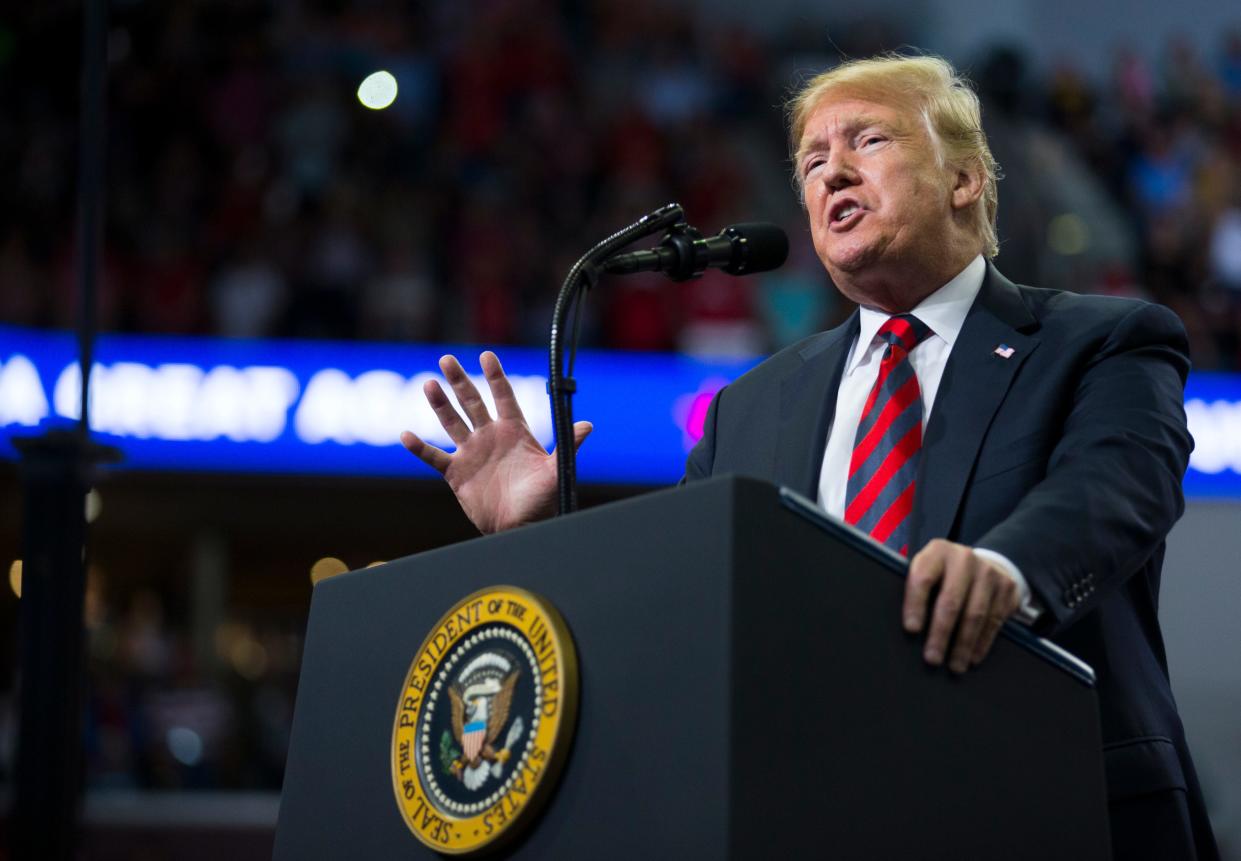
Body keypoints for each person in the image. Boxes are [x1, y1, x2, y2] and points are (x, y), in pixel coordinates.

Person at [400, 55, 1219, 859]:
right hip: (813, 819)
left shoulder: (1098, 340)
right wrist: (543, 536)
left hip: (1051, 803)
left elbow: (1116, 487)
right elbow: (672, 606)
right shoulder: (745, 409)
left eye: (866, 142)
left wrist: (1006, 569)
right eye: (812, 161)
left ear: (964, 179)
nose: (830, 174)